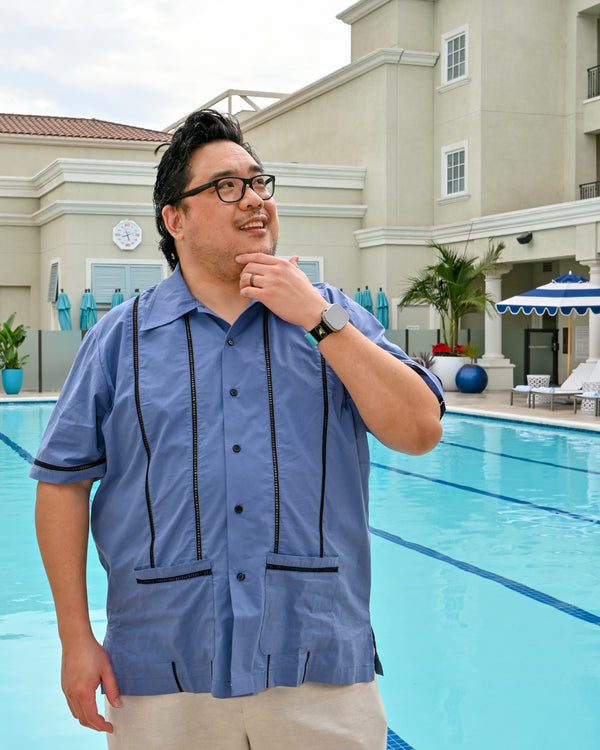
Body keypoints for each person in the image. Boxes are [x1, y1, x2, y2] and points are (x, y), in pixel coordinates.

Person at [32, 109, 444, 750]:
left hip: (317, 664)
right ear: (176, 218)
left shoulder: (332, 316)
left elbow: (420, 430)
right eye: (227, 186)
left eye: (260, 183)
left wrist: (317, 318)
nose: (254, 199)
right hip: (163, 668)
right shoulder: (118, 339)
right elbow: (61, 483)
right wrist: (75, 638)